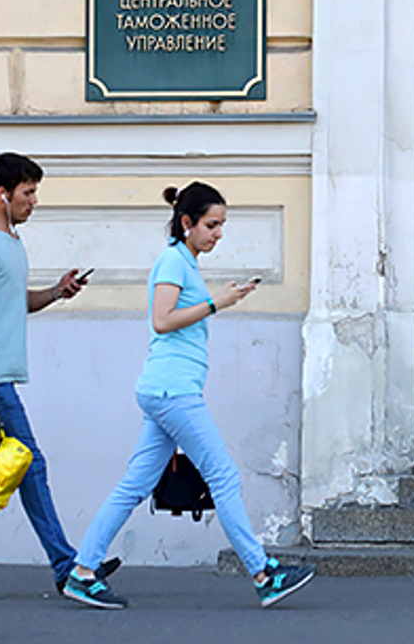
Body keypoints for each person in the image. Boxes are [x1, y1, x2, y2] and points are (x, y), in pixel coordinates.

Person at [63, 182, 314, 609]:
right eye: (212, 225)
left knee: (134, 485)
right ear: (187, 223)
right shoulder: (172, 261)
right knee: (223, 475)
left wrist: (221, 299)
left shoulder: (185, 262)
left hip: (166, 390)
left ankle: (83, 571)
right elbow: (162, 320)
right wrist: (218, 303)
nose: (219, 234)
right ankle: (262, 572)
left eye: (222, 226)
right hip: (172, 391)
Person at [0, 152, 119, 595]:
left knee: (19, 469)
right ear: (3, 194)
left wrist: (57, 292)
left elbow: (15, 302)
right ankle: (66, 568)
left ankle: (66, 566)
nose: (34, 200)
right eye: (28, 191)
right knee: (31, 467)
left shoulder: (10, 243)